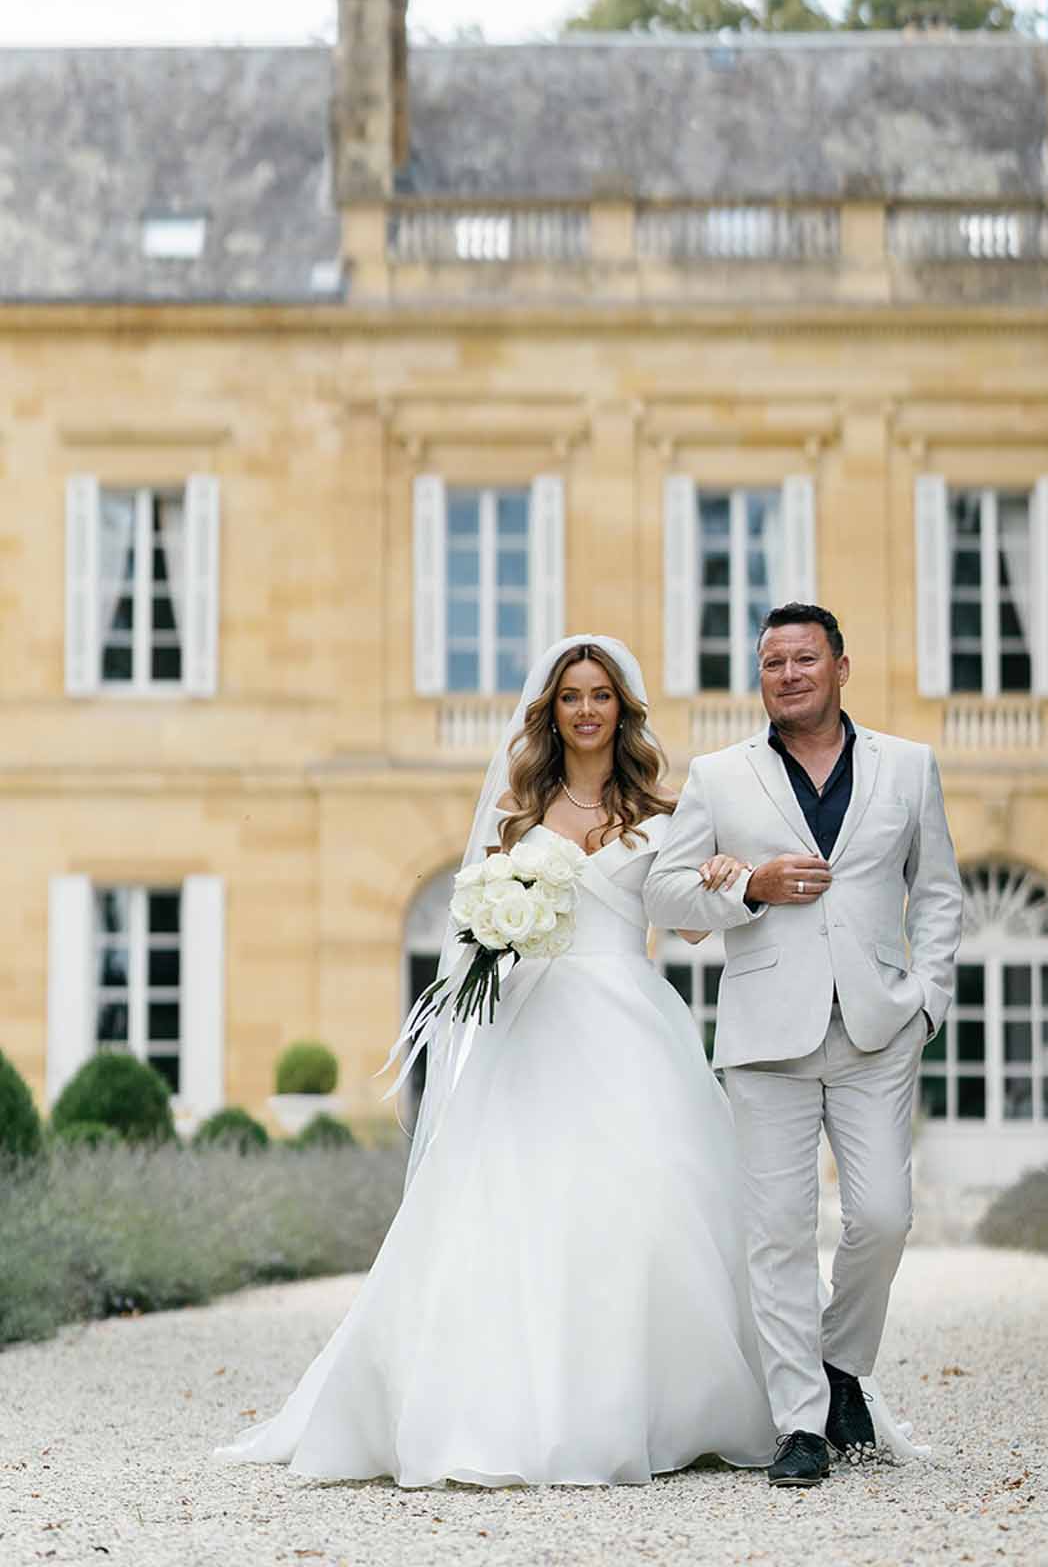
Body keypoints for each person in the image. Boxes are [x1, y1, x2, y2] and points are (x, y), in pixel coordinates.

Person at [215, 635, 773, 1489]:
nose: (587, 710)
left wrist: (726, 875)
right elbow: (478, 926)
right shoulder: (519, 811)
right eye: (571, 697)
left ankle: (666, 1406)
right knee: (514, 1202)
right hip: (536, 1025)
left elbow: (689, 925)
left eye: (601, 695)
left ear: (623, 709)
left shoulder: (663, 811)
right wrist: (503, 927)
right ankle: (501, 1409)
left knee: (649, 1195)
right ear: (551, 713)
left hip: (631, 1022)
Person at [644, 602, 963, 1488]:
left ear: (840, 667)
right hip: (764, 1036)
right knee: (778, 1234)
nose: (787, 674)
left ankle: (839, 1363)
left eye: (804, 659)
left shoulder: (908, 766)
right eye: (772, 661)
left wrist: (926, 1002)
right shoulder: (720, 774)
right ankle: (800, 1426)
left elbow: (937, 892)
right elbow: (665, 897)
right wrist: (750, 885)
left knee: (883, 1219)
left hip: (876, 1028)